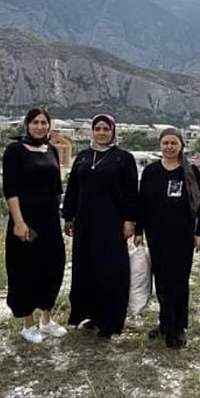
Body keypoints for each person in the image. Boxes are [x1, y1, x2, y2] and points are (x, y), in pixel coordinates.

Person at [62, 114, 138, 338]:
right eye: (98, 129)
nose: (102, 132)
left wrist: (130, 220)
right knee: (87, 267)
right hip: (85, 222)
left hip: (112, 223)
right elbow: (73, 188)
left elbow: (131, 192)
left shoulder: (123, 158)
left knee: (111, 270)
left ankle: (110, 320)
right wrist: (68, 217)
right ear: (92, 132)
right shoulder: (84, 157)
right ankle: (90, 315)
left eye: (106, 129)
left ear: (113, 132)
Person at [134, 128, 200, 348]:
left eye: (173, 143)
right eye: (165, 143)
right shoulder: (151, 172)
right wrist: (139, 231)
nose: (169, 147)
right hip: (157, 235)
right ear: (160, 145)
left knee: (179, 281)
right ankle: (164, 323)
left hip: (183, 235)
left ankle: (178, 327)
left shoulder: (190, 171)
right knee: (162, 281)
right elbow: (142, 203)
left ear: (181, 145)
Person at [2, 107, 67, 343]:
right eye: (36, 122)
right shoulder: (15, 150)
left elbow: (57, 188)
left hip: (49, 221)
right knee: (25, 269)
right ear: (27, 124)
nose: (40, 126)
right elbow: (10, 190)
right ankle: (28, 323)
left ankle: (46, 319)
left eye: (44, 122)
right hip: (25, 221)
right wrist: (19, 222)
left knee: (52, 267)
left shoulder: (50, 150)